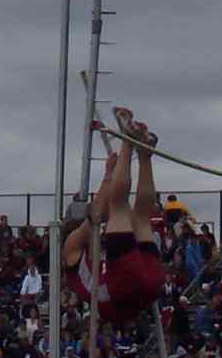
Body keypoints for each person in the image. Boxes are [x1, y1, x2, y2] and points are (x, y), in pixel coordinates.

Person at [63, 108, 165, 325]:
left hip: (146, 285)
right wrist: (108, 176)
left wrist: (109, 178)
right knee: (118, 206)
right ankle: (128, 140)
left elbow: (97, 216)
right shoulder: (71, 246)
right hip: (122, 287)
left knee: (141, 217)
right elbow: (96, 215)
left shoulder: (88, 256)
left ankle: (145, 156)